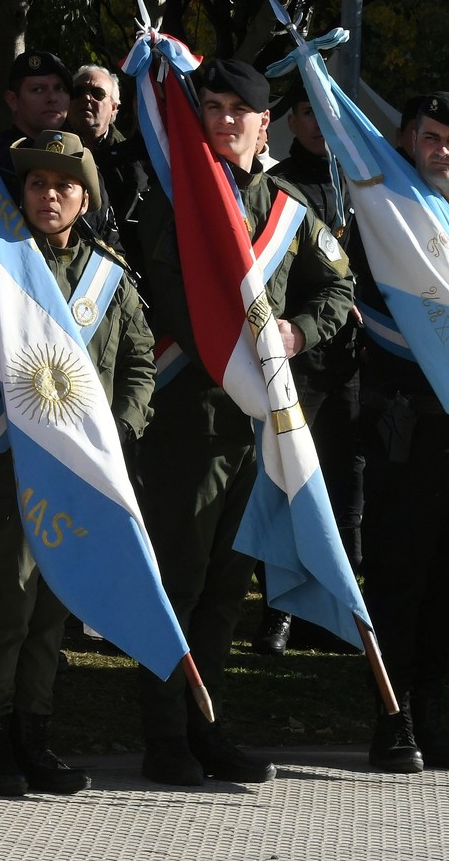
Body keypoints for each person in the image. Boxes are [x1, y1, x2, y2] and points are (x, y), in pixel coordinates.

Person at [133, 59, 353, 787]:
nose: (224, 120)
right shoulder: (177, 202)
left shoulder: (289, 207)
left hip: (260, 426)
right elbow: (170, 299)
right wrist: (234, 355)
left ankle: (207, 726)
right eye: (213, 106)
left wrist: (296, 332)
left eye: (239, 110)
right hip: (191, 417)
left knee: (227, 586)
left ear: (265, 123)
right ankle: (164, 734)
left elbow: (336, 282)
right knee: (178, 579)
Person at [0, 130, 154, 796]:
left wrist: (116, 429)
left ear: (83, 196)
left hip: (81, 472)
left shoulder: (108, 273)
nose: (48, 194)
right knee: (5, 604)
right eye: (35, 183)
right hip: (8, 460)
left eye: (63, 185)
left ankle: (34, 738)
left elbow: (140, 364)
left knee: (51, 611)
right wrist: (44, 391)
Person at [351, 91, 449, 774]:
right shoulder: (383, 215)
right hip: (404, 425)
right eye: (427, 136)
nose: (439, 151)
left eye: (448, 139)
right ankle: (393, 717)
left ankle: (438, 713)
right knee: (398, 578)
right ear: (404, 140)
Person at [258, 86, 364, 655]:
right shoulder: (278, 187)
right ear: (290, 123)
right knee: (288, 482)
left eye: (326, 113)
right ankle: (280, 612)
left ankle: (342, 612)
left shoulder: (362, 182)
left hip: (348, 359)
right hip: (294, 352)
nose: (319, 124)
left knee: (344, 487)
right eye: (307, 113)